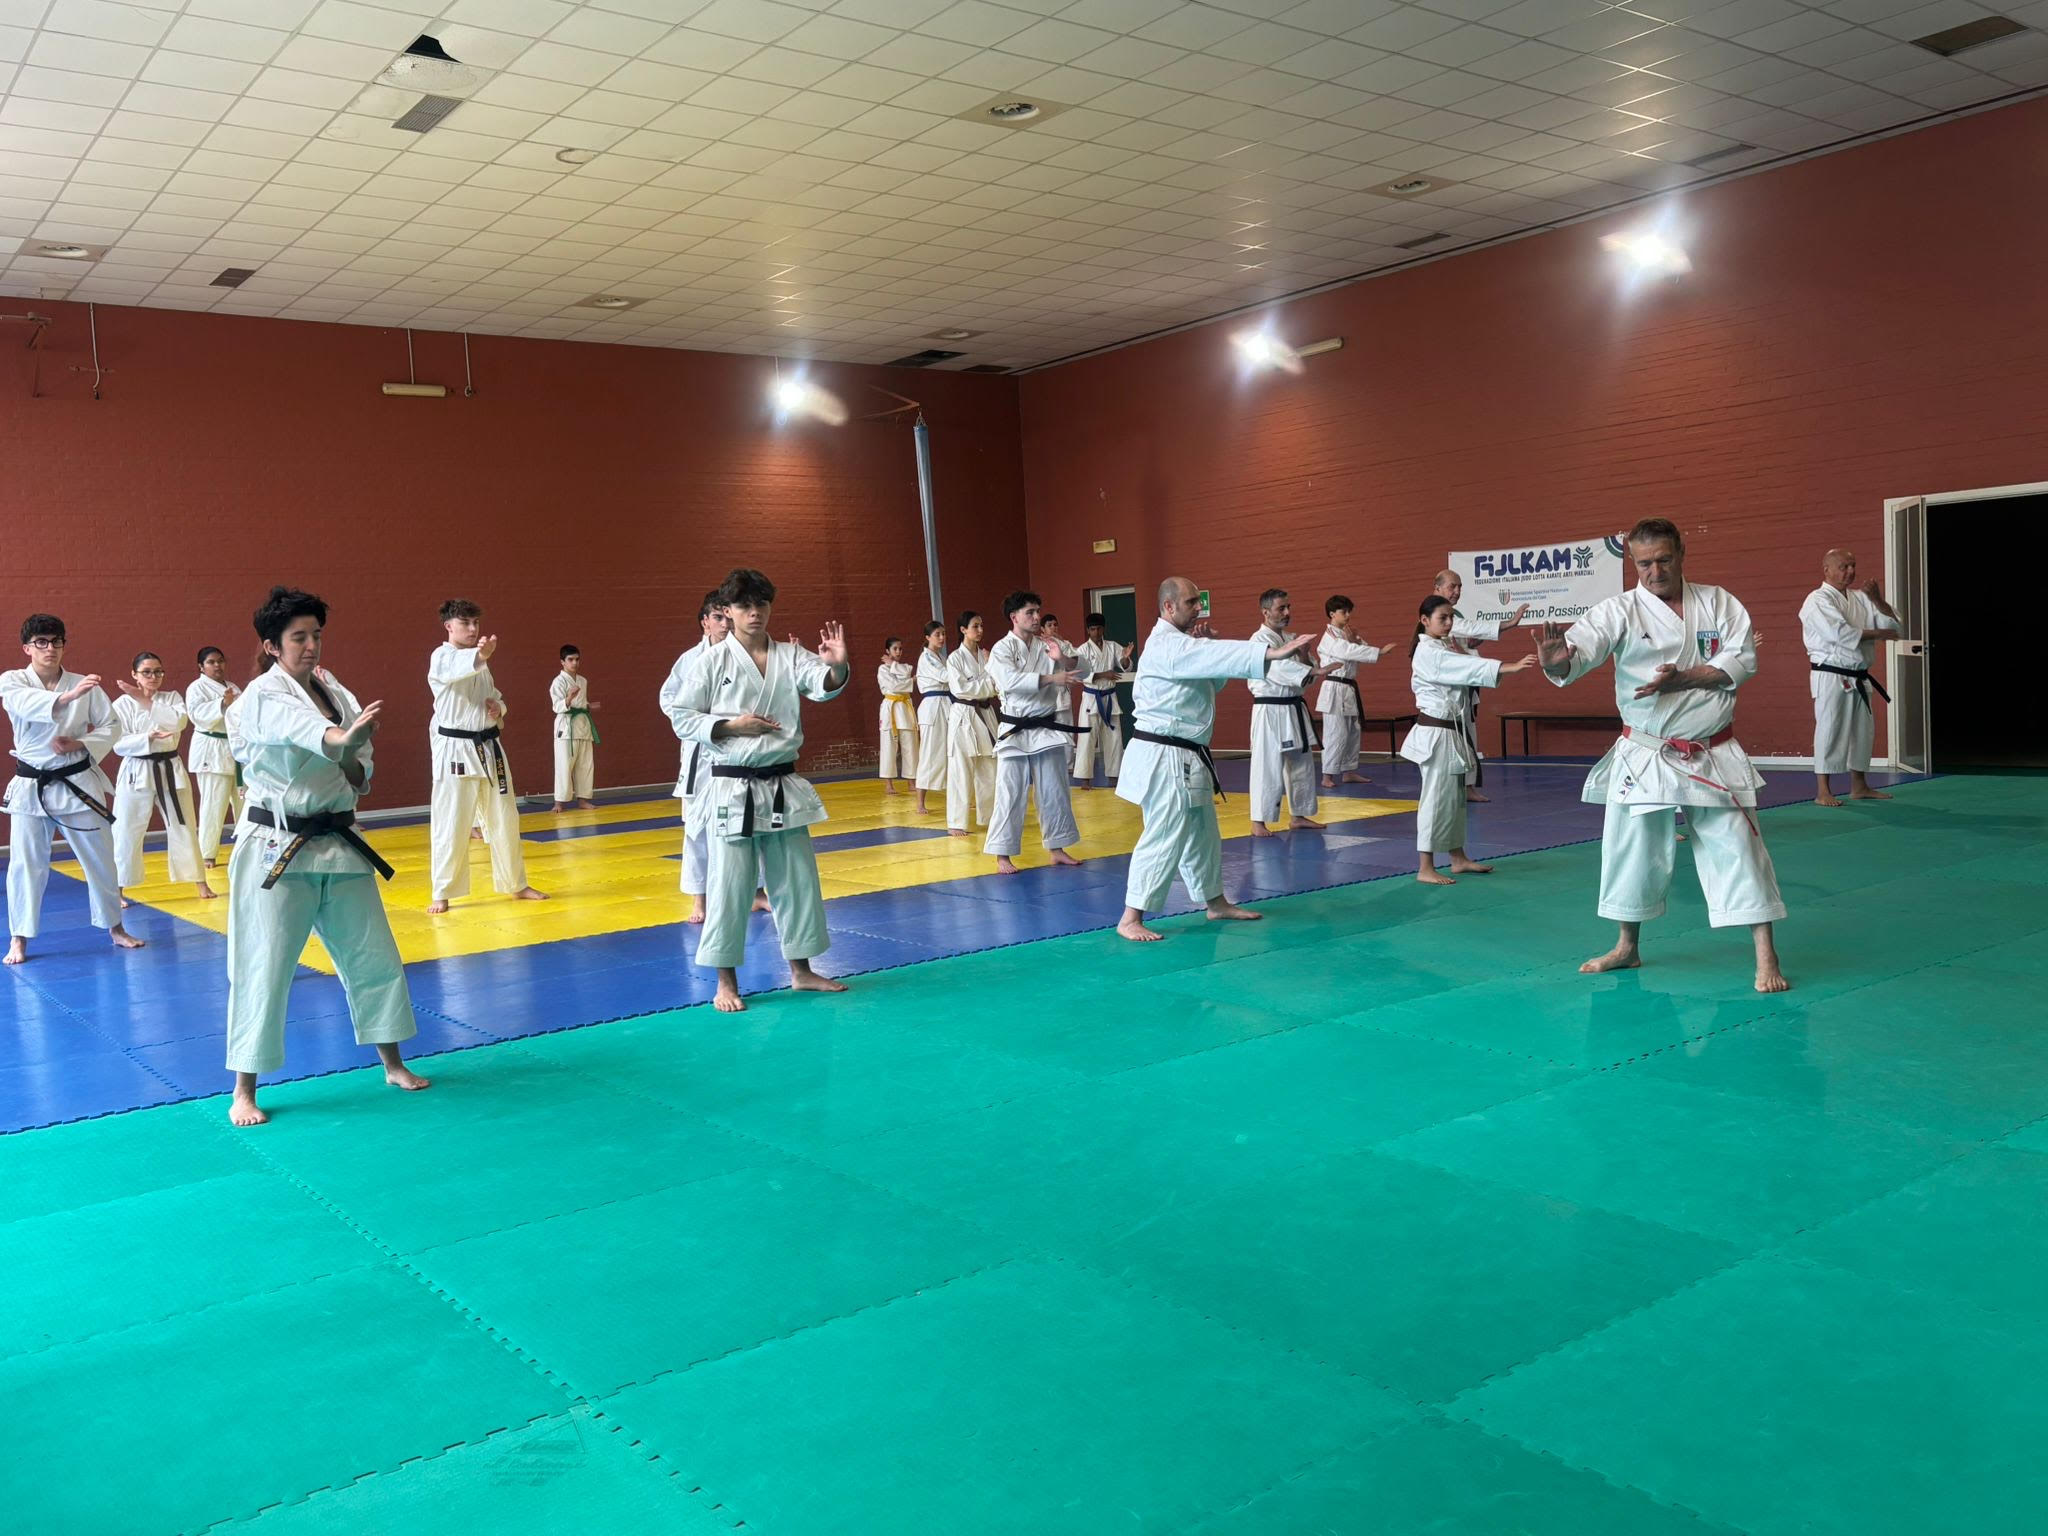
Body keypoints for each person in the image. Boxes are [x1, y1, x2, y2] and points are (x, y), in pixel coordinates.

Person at [1537, 518, 1789, 992]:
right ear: (1633, 562)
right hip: (1646, 751)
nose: (1655, 571)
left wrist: (1684, 679)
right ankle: (1626, 946)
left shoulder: (1719, 602)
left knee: (1740, 847)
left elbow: (1743, 660)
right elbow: (1579, 652)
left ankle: (1766, 955)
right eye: (1644, 563)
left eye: (1664, 560)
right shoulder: (1619, 610)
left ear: (1681, 553)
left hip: (1712, 750)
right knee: (1632, 851)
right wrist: (1558, 661)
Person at [224, 586, 427, 1126]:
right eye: (299, 637)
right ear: (272, 645)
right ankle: (243, 1090)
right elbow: (313, 733)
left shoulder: (333, 688)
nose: (311, 646)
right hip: (276, 847)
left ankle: (392, 1064)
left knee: (373, 955)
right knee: (264, 966)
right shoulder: (262, 694)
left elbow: (357, 767)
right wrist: (341, 741)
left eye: (316, 635)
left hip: (338, 840)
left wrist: (351, 751)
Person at [667, 567, 850, 1013]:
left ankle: (801, 971)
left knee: (796, 881)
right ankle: (725, 982)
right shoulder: (710, 662)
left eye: (762, 604)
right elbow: (682, 716)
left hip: (782, 782)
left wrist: (837, 665)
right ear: (728, 612)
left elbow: (822, 686)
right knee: (729, 885)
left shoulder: (791, 654)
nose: (755, 613)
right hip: (732, 786)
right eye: (745, 606)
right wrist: (731, 726)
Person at [1117, 578, 1318, 942]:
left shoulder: (1185, 645)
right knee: (1165, 833)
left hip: (1187, 755)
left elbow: (1214, 680)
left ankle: (1215, 901)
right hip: (1165, 756)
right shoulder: (1166, 644)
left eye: (1199, 601)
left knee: (1204, 834)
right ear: (1168, 607)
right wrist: (1268, 654)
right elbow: (1213, 656)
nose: (1199, 607)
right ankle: (1131, 917)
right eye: (1191, 602)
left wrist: (1208, 646)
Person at [4, 614, 142, 962]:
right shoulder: (12, 680)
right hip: (32, 786)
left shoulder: (84, 684)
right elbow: (22, 704)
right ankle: (19, 938)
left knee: (100, 858)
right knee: (25, 864)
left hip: (77, 782)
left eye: (56, 641)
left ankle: (116, 927)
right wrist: (67, 698)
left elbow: (112, 725)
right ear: (27, 648)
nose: (50, 648)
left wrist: (80, 743)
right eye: (41, 642)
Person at [1404, 598, 1536, 883]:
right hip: (1437, 734)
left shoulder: (1442, 646)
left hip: (1452, 733)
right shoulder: (1428, 651)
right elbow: (1463, 666)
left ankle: (1458, 858)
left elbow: (1463, 663)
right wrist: (1508, 667)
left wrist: (1505, 631)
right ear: (1424, 620)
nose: (1449, 623)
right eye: (1442, 618)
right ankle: (1425, 867)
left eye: (1451, 617)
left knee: (1454, 800)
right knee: (1435, 800)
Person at [426, 599, 546, 913]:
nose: (472, 628)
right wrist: (481, 655)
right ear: (449, 626)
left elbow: (494, 695)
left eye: (475, 623)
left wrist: (498, 708)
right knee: (452, 822)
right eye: (465, 623)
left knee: (505, 818)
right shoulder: (442, 657)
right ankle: (442, 891)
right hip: (456, 750)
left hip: (490, 748)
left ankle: (516, 884)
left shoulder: (480, 662)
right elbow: (458, 669)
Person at [660, 595, 769, 924]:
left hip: (737, 752)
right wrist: (704, 720)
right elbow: (669, 701)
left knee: (747, 819)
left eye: (728, 617)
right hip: (700, 753)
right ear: (704, 622)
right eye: (718, 618)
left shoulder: (743, 656)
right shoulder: (689, 660)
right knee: (696, 827)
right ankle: (700, 898)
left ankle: (757, 892)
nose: (725, 624)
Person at [986, 590, 1084, 875]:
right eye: (1030, 612)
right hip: (1015, 729)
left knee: (1054, 790)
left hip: (1045, 727)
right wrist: (1053, 677)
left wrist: (1063, 658)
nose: (1036, 617)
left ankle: (1057, 848)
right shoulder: (1002, 649)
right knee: (1010, 792)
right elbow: (1010, 681)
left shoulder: (1048, 645)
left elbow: (1083, 670)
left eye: (1037, 611)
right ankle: (1002, 854)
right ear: (1014, 617)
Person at [1799, 548, 1901, 807]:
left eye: (1853, 565)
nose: (1850, 571)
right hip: (1831, 674)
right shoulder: (1817, 600)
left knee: (1862, 732)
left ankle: (1859, 786)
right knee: (1829, 728)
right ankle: (1823, 790)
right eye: (1843, 566)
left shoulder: (1862, 598)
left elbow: (1894, 627)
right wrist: (1879, 634)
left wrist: (1877, 600)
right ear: (1827, 570)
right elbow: (1839, 634)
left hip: (1859, 675)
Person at [110, 651, 214, 901]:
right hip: (136, 770)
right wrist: (147, 737)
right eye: (146, 672)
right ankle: (117, 889)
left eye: (158, 671)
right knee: (126, 829)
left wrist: (144, 701)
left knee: (184, 825)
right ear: (134, 675)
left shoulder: (172, 698)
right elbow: (117, 743)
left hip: (170, 767)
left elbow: (179, 722)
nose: (153, 676)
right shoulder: (122, 704)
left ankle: (201, 883)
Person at [1433, 570, 1527, 804]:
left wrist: (1469, 646)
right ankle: (1457, 787)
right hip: (1446, 692)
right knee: (1456, 739)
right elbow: (1467, 629)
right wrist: (1509, 623)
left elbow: (1466, 636)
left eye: (1460, 587)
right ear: (1438, 588)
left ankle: (1467, 787)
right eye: (1452, 586)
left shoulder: (1451, 615)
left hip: (1462, 687)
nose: (1457, 591)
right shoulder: (1436, 613)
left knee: (1468, 736)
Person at [1247, 587, 1327, 836]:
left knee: (1301, 763)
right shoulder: (1258, 641)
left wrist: (1304, 657)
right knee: (1267, 765)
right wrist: (1311, 670)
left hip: (1293, 707)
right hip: (1270, 709)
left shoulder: (1292, 639)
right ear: (1265, 612)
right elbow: (1278, 670)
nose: (1287, 612)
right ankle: (1258, 821)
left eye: (1288, 607)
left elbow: (1308, 676)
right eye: (1281, 608)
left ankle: (1299, 815)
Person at [1316, 595, 1381, 787]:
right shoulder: (1329, 637)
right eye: (1343, 612)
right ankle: (1327, 776)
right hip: (1334, 688)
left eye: (1349, 611)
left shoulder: (1347, 633)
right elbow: (1347, 651)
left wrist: (1355, 640)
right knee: (1335, 733)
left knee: (1353, 731)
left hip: (1348, 687)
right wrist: (1379, 652)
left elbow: (1361, 649)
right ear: (1332, 614)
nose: (1347, 615)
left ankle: (1349, 772)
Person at [186, 645, 242, 866]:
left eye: (220, 660)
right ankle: (207, 853)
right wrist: (222, 704)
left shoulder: (233, 687)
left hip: (236, 748)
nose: (217, 665)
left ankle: (244, 847)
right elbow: (197, 715)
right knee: (213, 803)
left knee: (244, 801)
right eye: (211, 662)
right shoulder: (196, 688)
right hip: (211, 749)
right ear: (201, 666)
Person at [944, 610, 997, 836]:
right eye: (975, 626)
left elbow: (998, 684)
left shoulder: (987, 656)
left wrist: (988, 676)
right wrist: (987, 683)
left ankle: (990, 817)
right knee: (961, 769)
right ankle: (956, 822)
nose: (980, 630)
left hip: (985, 714)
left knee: (990, 768)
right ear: (963, 629)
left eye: (981, 625)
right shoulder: (954, 658)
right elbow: (961, 689)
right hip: (964, 715)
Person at [1071, 612, 1128, 790]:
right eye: (1092, 629)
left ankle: (1114, 777)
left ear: (1104, 629)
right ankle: (1085, 779)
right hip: (1091, 699)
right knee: (1087, 738)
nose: (1096, 632)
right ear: (1088, 630)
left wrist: (1126, 659)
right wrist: (1104, 674)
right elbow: (1080, 674)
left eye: (1099, 629)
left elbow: (1125, 665)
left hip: (1110, 698)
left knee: (1114, 739)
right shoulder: (1082, 650)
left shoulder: (1113, 646)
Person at [550, 644, 600, 812]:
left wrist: (588, 706)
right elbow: (556, 706)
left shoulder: (583, 681)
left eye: (577, 659)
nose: (574, 663)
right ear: (562, 662)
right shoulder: (558, 682)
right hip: (566, 729)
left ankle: (583, 800)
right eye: (570, 659)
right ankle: (559, 802)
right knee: (564, 766)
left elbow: (581, 703)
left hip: (583, 726)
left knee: (585, 765)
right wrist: (569, 697)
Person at [912, 619, 950, 816]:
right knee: (929, 753)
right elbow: (945, 676)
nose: (942, 638)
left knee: (952, 752)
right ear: (927, 637)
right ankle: (920, 802)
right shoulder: (926, 658)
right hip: (932, 706)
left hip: (946, 704)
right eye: (937, 635)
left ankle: (957, 797)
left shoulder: (941, 657)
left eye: (943, 634)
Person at [876, 637, 917, 794]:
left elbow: (907, 674)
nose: (898, 651)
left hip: (905, 708)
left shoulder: (904, 667)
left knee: (910, 746)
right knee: (888, 746)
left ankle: (911, 782)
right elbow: (894, 686)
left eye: (900, 649)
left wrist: (893, 665)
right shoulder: (882, 669)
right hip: (891, 708)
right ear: (887, 650)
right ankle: (889, 785)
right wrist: (910, 681)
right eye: (895, 649)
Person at [1040, 612, 1079, 771]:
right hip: (1046, 693)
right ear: (1042, 629)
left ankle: (1068, 765)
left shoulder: (1065, 644)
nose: (1053, 627)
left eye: (1055, 624)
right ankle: (1052, 766)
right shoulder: (1039, 644)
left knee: (1067, 730)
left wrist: (1061, 643)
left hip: (1063, 694)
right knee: (1049, 733)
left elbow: (1075, 661)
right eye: (1049, 625)